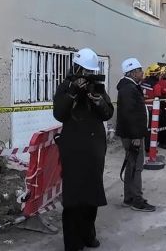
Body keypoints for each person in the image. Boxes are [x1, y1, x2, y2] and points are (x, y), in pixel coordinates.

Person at [53, 48, 114, 251]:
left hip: (95, 148)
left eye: (90, 72)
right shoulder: (65, 87)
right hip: (73, 148)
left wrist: (96, 98)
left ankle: (89, 234)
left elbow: (108, 113)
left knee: (92, 193)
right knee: (73, 196)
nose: (87, 75)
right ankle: (73, 242)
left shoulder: (97, 87)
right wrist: (73, 92)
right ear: (77, 68)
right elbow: (59, 114)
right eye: (85, 71)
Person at [115, 58, 156, 212]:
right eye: (139, 70)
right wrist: (136, 137)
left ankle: (129, 198)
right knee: (137, 167)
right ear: (132, 73)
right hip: (132, 135)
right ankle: (137, 200)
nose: (142, 73)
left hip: (133, 133)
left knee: (132, 165)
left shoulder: (131, 87)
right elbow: (129, 115)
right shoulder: (128, 89)